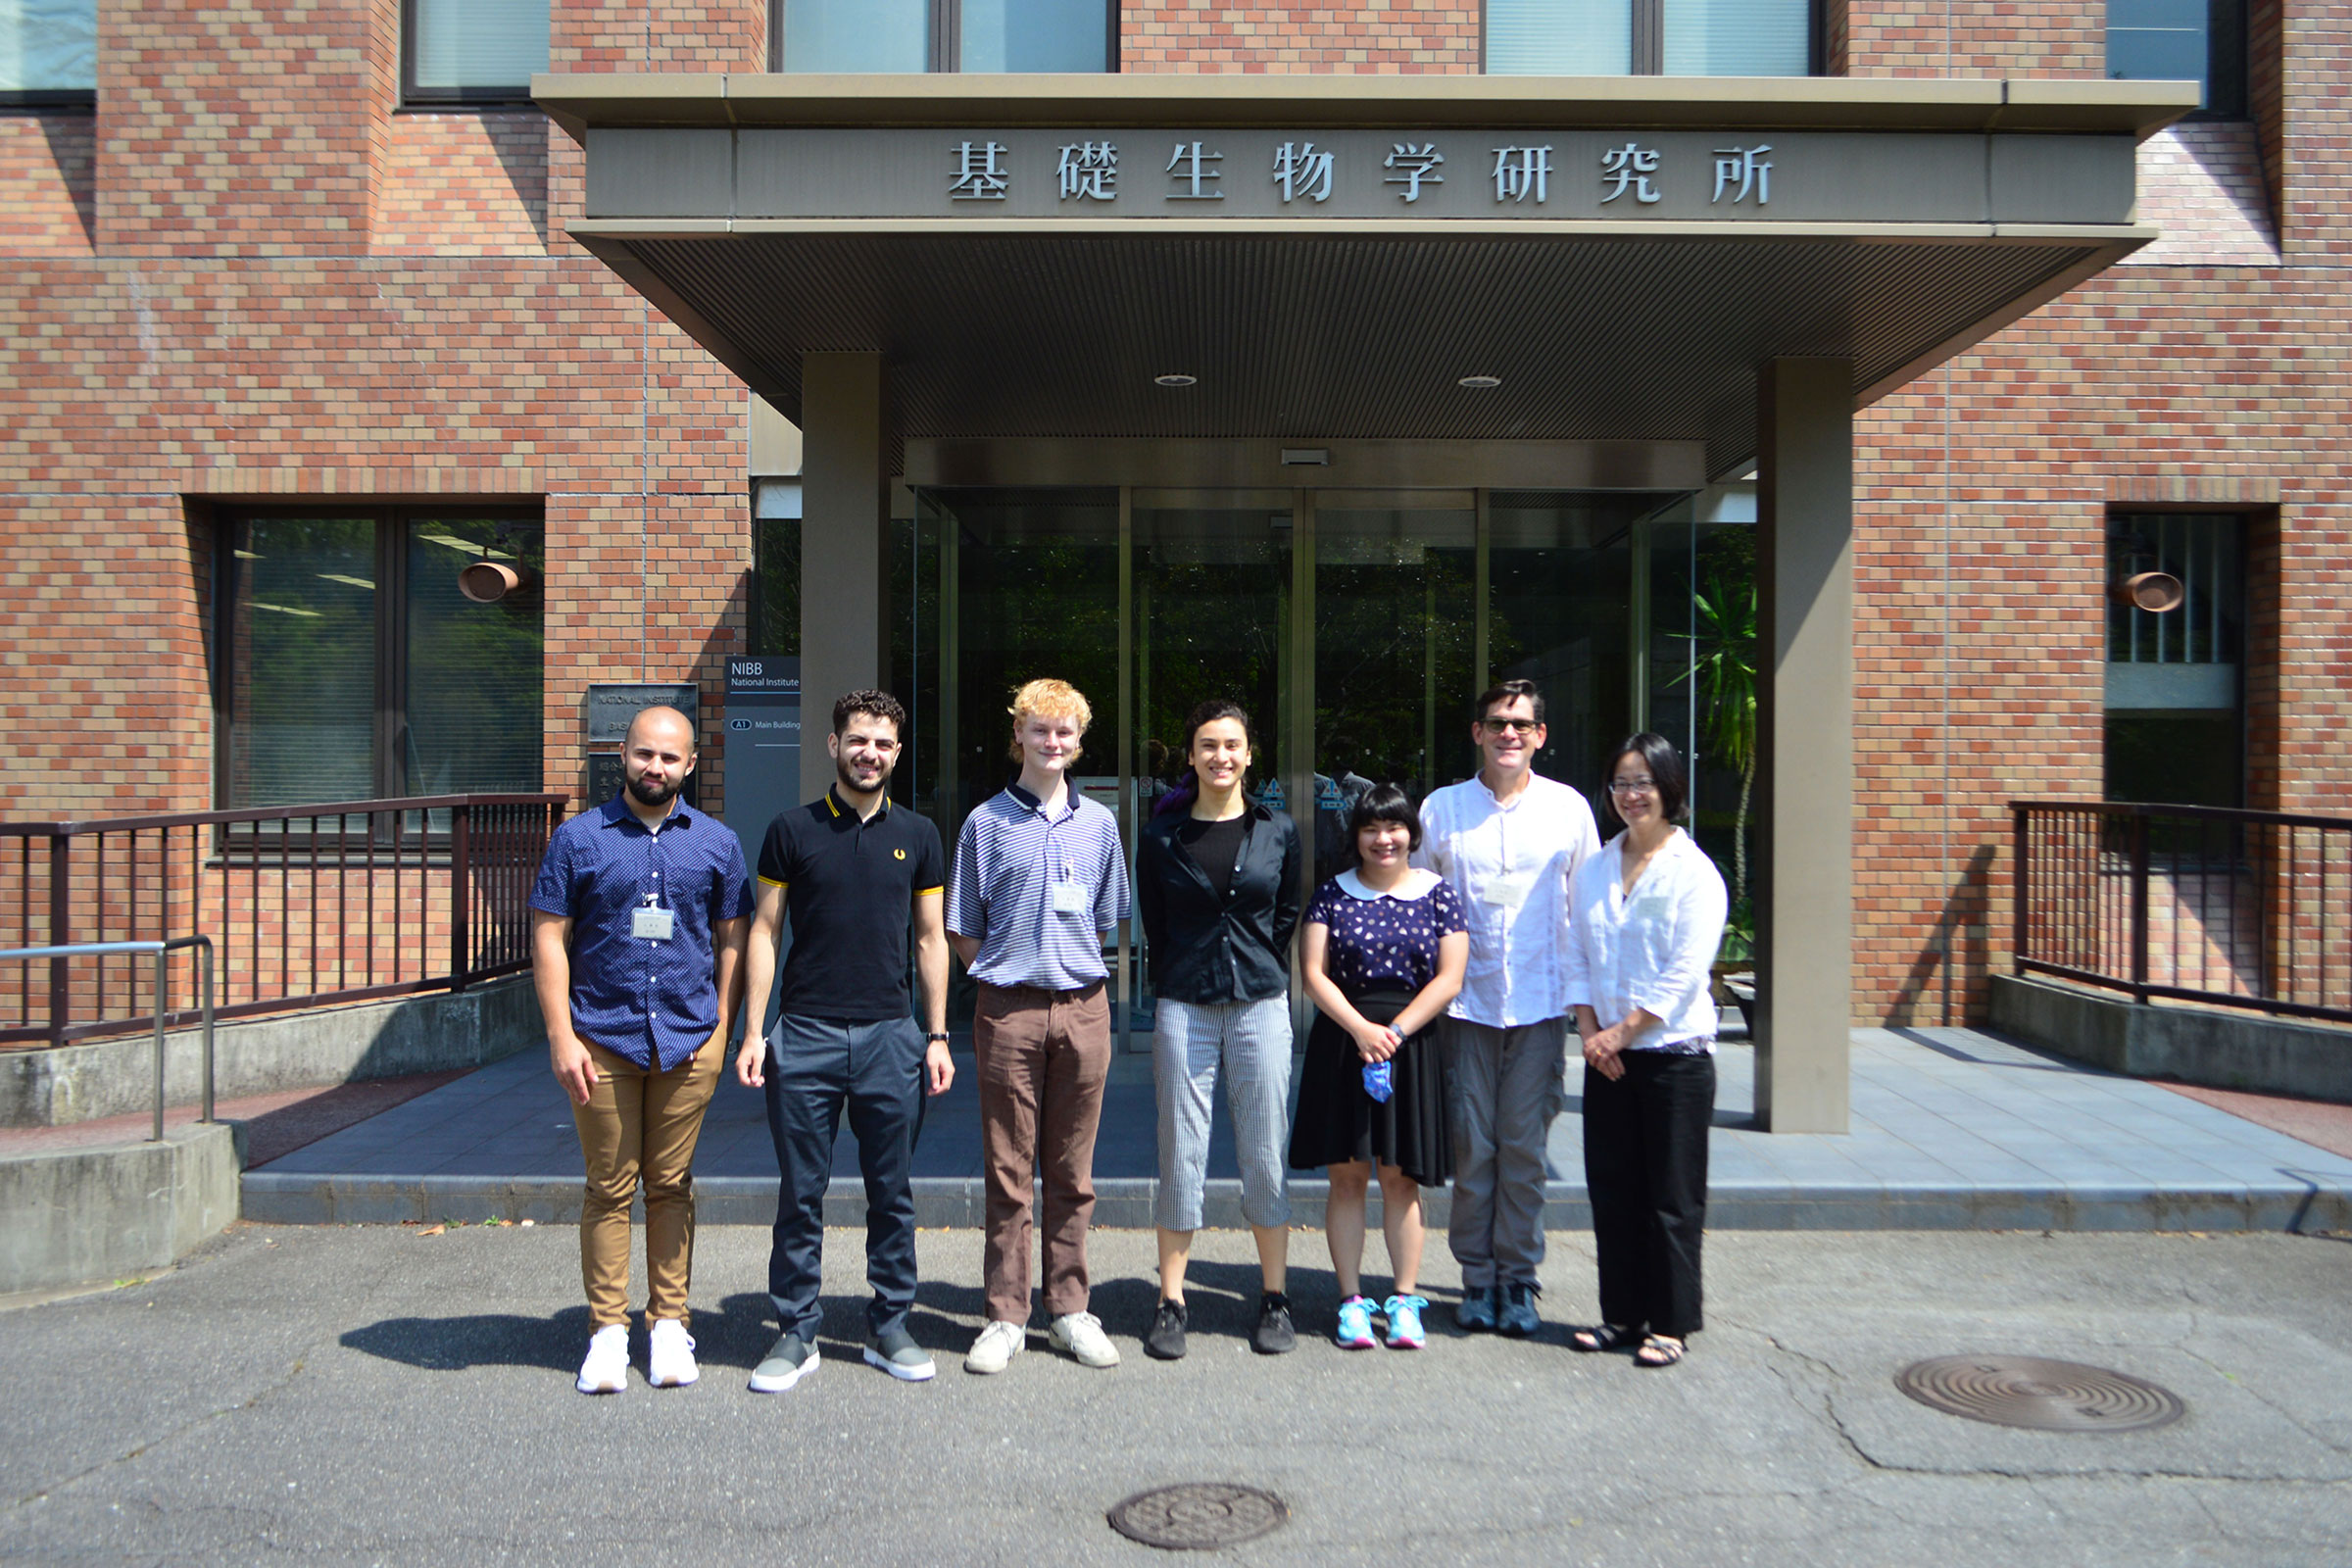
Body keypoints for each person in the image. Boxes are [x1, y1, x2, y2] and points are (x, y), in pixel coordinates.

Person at [734, 690, 954, 1394]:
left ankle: (890, 1324)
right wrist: (754, 1032)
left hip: (893, 1036)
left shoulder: (919, 834)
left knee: (893, 1192)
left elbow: (930, 940)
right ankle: (797, 1332)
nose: (871, 753)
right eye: (858, 740)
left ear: (897, 751)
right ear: (834, 746)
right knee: (801, 1193)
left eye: (884, 743)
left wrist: (938, 1033)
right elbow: (764, 932)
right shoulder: (790, 831)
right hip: (803, 1035)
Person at [528, 705, 750, 1395]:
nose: (656, 767)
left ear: (690, 764)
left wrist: (722, 1031)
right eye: (644, 754)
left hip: (689, 1039)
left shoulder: (717, 842)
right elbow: (547, 937)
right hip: (602, 1036)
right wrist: (561, 1036)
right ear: (622, 755)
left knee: (671, 1185)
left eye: (669, 757)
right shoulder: (577, 839)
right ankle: (605, 1331)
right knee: (609, 1186)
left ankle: (668, 1325)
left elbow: (733, 938)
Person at [948, 677, 1133, 1374]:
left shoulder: (1101, 824)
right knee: (1008, 1170)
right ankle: (1005, 1316)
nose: (1052, 743)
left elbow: (1106, 918)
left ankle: (1069, 1309)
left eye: (1065, 732)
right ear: (1018, 735)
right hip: (1009, 1010)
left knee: (1072, 1171)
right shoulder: (985, 823)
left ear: (1079, 742)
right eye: (1039, 730)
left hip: (1085, 1008)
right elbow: (964, 928)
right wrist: (1009, 969)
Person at [1413, 679, 1599, 1336]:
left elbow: (1588, 911)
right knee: (1474, 1149)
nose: (1509, 734)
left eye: (1521, 724)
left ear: (1540, 736)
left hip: (1542, 1008)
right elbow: (1419, 904)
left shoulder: (1570, 811)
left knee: (1522, 1149)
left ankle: (1518, 1278)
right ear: (1478, 733)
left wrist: (1590, 1010)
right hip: (1464, 1010)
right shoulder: (1441, 810)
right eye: (1497, 723)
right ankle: (1477, 1277)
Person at [1137, 700, 1304, 1359]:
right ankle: (1171, 1300)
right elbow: (1156, 920)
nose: (1220, 757)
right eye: (1208, 745)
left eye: (1232, 744)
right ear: (1191, 755)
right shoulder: (1161, 837)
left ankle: (1274, 1297)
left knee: (1263, 1150)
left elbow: (1287, 912)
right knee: (1180, 1149)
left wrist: (1257, 961)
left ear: (1249, 753)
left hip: (1261, 1003)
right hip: (1185, 1002)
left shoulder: (1278, 830)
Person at [1564, 733, 1729, 1370]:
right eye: (1621, 784)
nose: (1631, 795)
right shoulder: (1598, 866)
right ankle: (1621, 1315)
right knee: (1613, 1191)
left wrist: (1624, 1030)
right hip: (1606, 1057)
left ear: (1668, 789)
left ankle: (1671, 1322)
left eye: (1643, 783)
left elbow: (1686, 971)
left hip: (1673, 1060)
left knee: (1672, 1197)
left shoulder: (1694, 873)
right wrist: (1589, 1033)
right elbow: (1576, 953)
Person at [1289, 784, 1468, 1351]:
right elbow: (1314, 974)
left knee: (1401, 1178)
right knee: (1346, 1177)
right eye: (1370, 829)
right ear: (1357, 837)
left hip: (1411, 1046)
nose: (1383, 839)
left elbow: (1450, 978)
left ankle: (1405, 1299)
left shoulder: (1440, 896)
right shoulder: (1330, 896)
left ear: (1412, 834)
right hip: (1344, 1043)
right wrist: (1362, 1030)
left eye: (1393, 828)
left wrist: (1394, 1032)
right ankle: (1350, 1303)